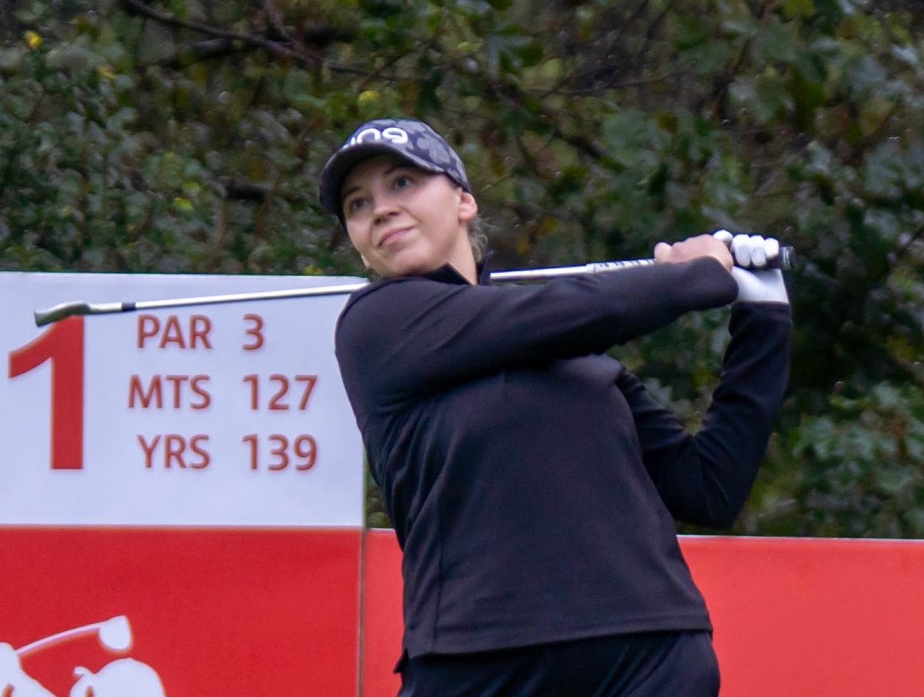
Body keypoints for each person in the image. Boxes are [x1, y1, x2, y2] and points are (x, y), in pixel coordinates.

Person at [319, 118, 791, 696]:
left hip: (647, 654)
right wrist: (700, 275)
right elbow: (570, 313)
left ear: (464, 201)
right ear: (361, 248)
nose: (381, 210)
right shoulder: (376, 326)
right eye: (358, 204)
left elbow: (709, 487)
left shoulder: (579, 361)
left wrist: (763, 318)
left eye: (402, 183)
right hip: (477, 662)